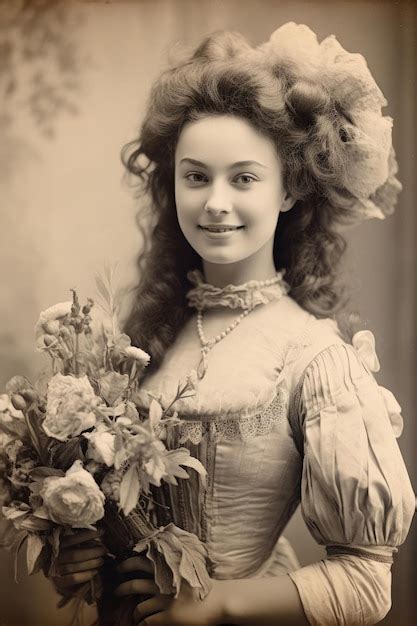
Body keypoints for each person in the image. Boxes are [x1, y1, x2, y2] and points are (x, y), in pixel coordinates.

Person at [50, 23, 415, 626]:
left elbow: (368, 583)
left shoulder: (315, 358)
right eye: (196, 176)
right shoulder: (144, 339)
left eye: (243, 178)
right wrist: (78, 557)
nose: (215, 202)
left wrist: (218, 602)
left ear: (290, 189)